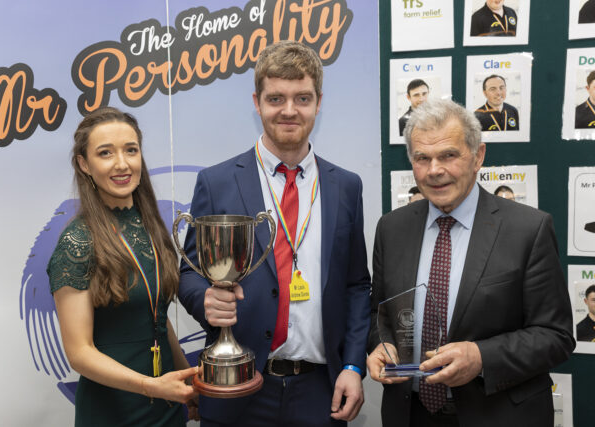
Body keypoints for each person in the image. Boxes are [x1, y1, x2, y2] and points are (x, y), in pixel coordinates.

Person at [178, 40, 371, 427]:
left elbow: (356, 286)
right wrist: (206, 302)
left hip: (320, 391)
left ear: (318, 102)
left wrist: (353, 364)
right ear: (257, 101)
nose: (288, 110)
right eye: (276, 98)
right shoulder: (216, 183)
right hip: (238, 387)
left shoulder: (346, 186)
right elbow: (189, 275)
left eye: (302, 98)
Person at [367, 99, 574, 427]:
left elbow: (556, 336)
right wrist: (382, 344)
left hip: (498, 414)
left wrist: (481, 358)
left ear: (478, 156)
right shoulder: (391, 228)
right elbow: (378, 314)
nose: (435, 170)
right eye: (422, 158)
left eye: (448, 155)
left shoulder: (528, 229)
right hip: (410, 414)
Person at [47, 107, 199, 426]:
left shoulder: (151, 226)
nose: (122, 163)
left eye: (131, 150)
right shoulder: (77, 243)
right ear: (84, 164)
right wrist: (149, 386)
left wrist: (187, 384)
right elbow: (79, 353)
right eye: (105, 153)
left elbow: (157, 318)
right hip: (114, 411)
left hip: (167, 405)